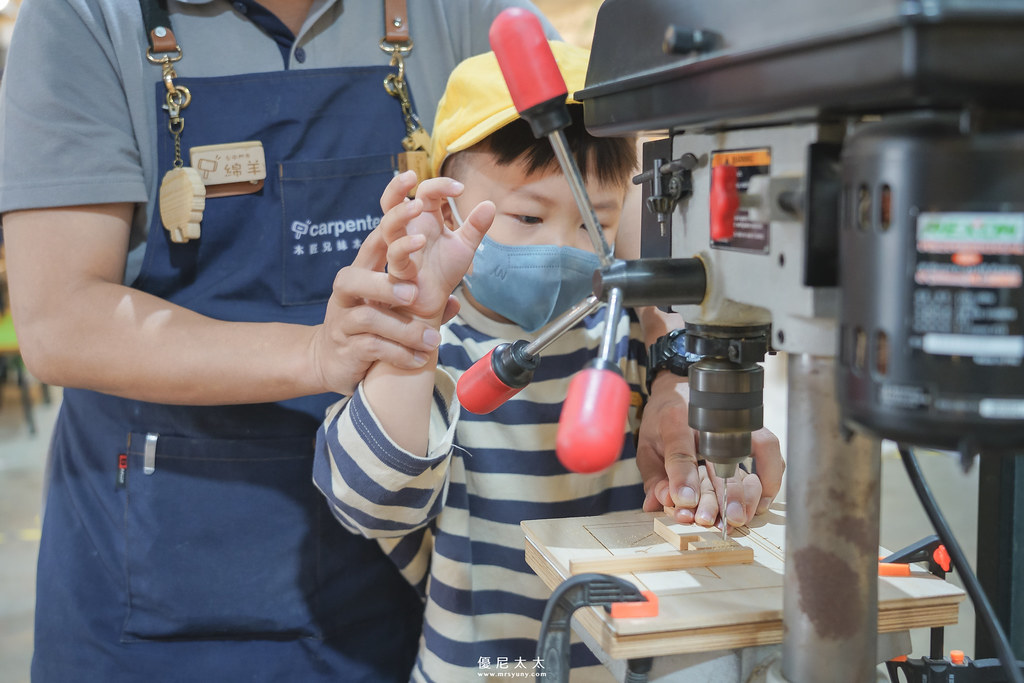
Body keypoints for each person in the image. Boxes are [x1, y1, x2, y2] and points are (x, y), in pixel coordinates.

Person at [0, 1, 561, 681]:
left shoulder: (461, 12)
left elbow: (610, 179)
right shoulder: (86, 18)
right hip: (160, 573)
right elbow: (63, 321)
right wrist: (317, 355)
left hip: (406, 564)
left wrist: (668, 357)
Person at [314, 42, 783, 683]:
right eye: (529, 215)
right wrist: (415, 331)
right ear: (445, 204)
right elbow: (369, 505)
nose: (563, 249)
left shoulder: (637, 347)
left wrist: (725, 479)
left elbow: (723, 457)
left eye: (595, 223)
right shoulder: (431, 351)